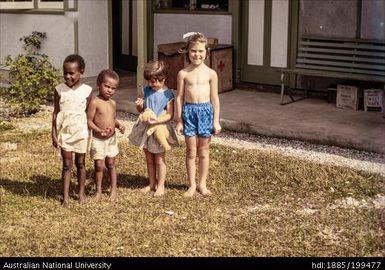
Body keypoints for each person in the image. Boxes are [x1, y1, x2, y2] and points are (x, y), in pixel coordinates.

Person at [175, 32, 221, 197]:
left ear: (206, 53)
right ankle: (192, 185)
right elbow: (179, 98)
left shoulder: (211, 74)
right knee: (190, 151)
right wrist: (179, 121)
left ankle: (202, 184)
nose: (197, 54)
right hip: (189, 112)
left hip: (205, 112)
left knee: (204, 150)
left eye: (201, 51)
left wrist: (216, 121)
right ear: (188, 52)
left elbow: (215, 99)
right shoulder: (183, 74)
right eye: (194, 51)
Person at [128, 60, 178, 197]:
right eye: (150, 81)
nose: (152, 84)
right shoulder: (145, 91)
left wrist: (157, 120)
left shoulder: (168, 94)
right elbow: (141, 110)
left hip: (159, 128)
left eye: (155, 80)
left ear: (164, 78)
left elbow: (169, 114)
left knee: (159, 159)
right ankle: (151, 183)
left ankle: (161, 185)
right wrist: (139, 105)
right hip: (146, 128)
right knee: (149, 158)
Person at [51, 54, 92, 207]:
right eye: (65, 72)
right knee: (67, 164)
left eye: (72, 73)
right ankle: (66, 197)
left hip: (81, 132)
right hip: (65, 132)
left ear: (81, 71)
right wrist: (53, 133)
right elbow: (55, 112)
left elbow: (88, 114)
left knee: (80, 163)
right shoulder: (59, 90)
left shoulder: (87, 91)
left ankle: (81, 194)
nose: (68, 76)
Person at [87, 69, 125, 202]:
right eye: (107, 86)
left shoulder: (113, 103)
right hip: (99, 139)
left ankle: (113, 188)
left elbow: (113, 119)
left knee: (111, 163)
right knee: (98, 165)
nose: (110, 90)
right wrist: (98, 131)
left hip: (111, 139)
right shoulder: (95, 102)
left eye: (113, 88)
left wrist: (119, 125)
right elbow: (89, 121)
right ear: (99, 84)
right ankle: (98, 191)